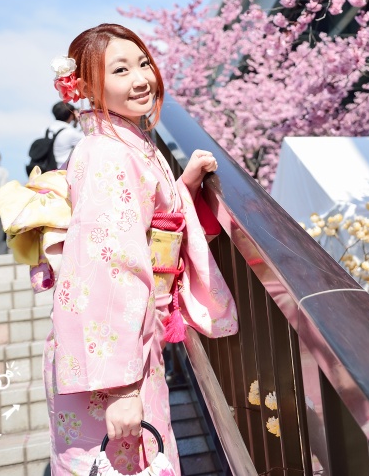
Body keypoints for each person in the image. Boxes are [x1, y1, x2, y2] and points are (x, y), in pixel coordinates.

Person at [43, 23, 238, 475]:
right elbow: (106, 269)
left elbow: (147, 221)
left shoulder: (126, 146)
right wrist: (118, 390)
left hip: (126, 351)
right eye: (121, 70)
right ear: (88, 87)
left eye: (143, 63)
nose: (141, 79)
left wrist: (181, 187)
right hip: (108, 371)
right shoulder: (107, 154)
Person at [49, 100, 85, 168]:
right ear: (71, 115)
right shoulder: (70, 133)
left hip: (46, 171)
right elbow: (89, 139)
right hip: (61, 172)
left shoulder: (47, 130)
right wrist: (81, 120)